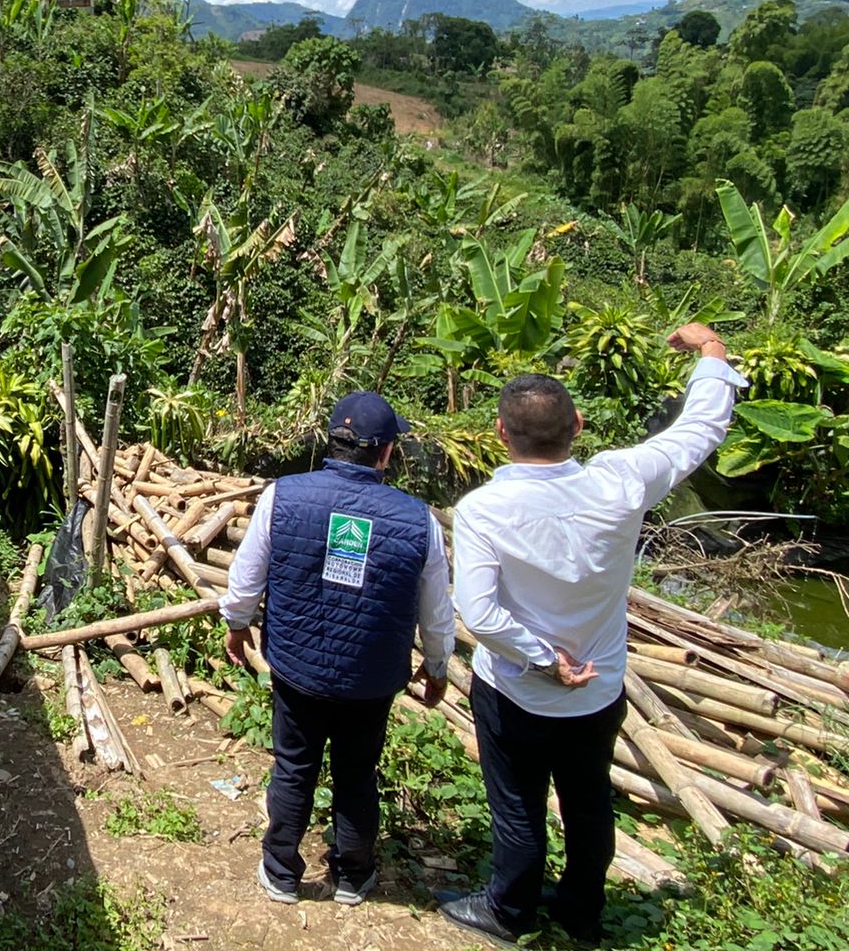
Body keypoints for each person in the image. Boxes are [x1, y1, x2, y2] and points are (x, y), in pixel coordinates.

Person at [438, 322, 745, 945]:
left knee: (518, 805)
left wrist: (542, 658)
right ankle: (581, 911)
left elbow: (480, 611)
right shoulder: (621, 482)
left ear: (500, 434)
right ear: (577, 425)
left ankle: (509, 911)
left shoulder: (483, 511)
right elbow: (699, 431)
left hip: (517, 691)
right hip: (598, 691)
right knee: (586, 801)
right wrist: (711, 353)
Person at [221, 391, 455, 907]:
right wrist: (436, 666)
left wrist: (237, 625)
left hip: (296, 666)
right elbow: (437, 612)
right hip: (370, 680)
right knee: (356, 771)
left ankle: (282, 871)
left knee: (293, 765)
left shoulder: (284, 496)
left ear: (331, 441)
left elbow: (246, 578)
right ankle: (352, 875)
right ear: (386, 451)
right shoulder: (418, 522)